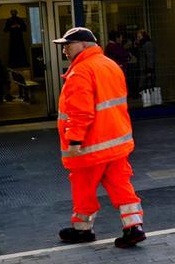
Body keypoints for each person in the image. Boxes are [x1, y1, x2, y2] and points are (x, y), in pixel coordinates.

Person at [53, 26, 146, 249]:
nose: (65, 50)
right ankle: (134, 227)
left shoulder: (80, 71)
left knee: (83, 186)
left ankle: (82, 229)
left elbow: (80, 111)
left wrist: (75, 141)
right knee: (121, 184)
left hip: (91, 145)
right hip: (116, 142)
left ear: (85, 45)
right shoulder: (110, 65)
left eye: (69, 45)